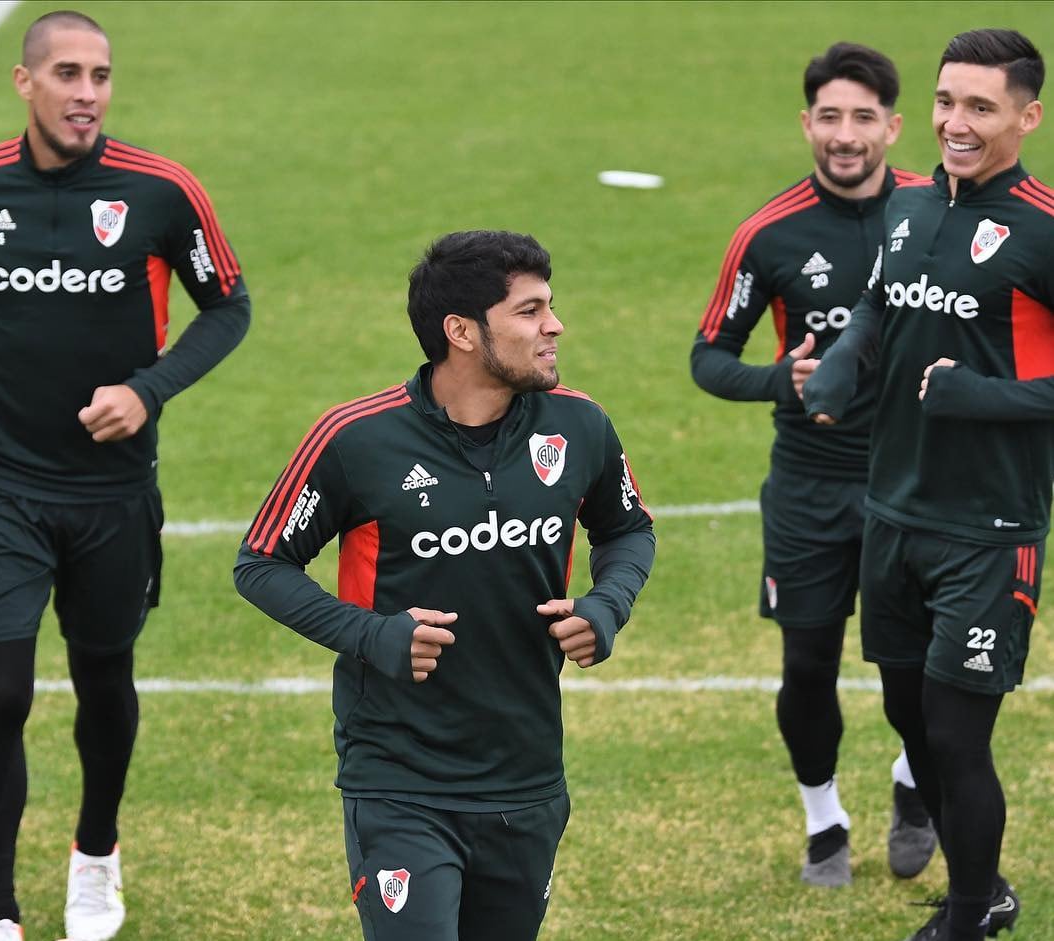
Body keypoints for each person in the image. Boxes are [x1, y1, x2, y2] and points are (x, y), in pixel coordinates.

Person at [0, 11, 250, 941]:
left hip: (112, 493)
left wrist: (148, 391)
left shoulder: (162, 190)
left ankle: (94, 856)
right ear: (25, 83)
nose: (87, 93)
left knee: (104, 679)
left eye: (100, 75)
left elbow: (228, 306)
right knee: (0, 692)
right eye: (67, 73)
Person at [234, 230, 654, 941]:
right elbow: (262, 564)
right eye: (528, 312)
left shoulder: (579, 425)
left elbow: (628, 529)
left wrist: (607, 605)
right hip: (400, 777)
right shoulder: (357, 439)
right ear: (460, 331)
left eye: (550, 306)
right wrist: (373, 634)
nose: (554, 326)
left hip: (526, 776)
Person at [799, 27, 1051, 941]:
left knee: (954, 734)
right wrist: (843, 360)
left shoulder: (1044, 230)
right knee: (911, 717)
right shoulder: (907, 207)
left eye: (980, 107)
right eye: (947, 101)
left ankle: (969, 912)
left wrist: (977, 394)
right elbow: (880, 300)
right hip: (893, 512)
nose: (955, 121)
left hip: (988, 526)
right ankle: (982, 889)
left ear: (1027, 115)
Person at [691, 42, 937, 887]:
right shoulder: (768, 234)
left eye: (862, 117)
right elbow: (708, 357)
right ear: (807, 124)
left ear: (892, 126)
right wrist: (781, 380)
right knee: (808, 667)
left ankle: (915, 781)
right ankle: (823, 818)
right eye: (828, 117)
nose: (844, 135)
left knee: (916, 669)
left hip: (917, 478)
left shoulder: (936, 211)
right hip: (809, 485)